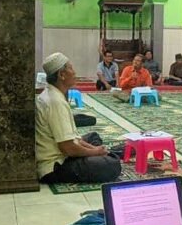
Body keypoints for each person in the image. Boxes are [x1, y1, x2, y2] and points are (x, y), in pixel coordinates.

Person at [36, 53, 121, 185]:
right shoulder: (55, 101)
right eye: (71, 68)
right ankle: (107, 154)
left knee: (93, 136)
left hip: (65, 153)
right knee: (112, 165)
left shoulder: (53, 93)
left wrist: (94, 150)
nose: (74, 72)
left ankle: (104, 153)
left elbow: (75, 139)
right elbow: (68, 147)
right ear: (61, 75)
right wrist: (94, 152)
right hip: (55, 166)